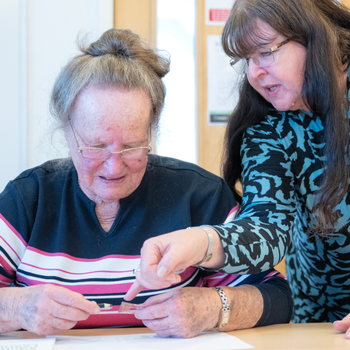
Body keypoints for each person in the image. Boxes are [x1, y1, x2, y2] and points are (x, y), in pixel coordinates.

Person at [0, 28, 292, 337]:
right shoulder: (28, 199)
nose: (114, 166)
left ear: (152, 132)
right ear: (66, 131)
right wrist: (17, 307)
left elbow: (277, 297)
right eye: (97, 146)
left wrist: (212, 307)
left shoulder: (198, 196)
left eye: (133, 146)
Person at [125, 0, 350, 338]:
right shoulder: (268, 127)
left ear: (310, 37)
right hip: (319, 324)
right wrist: (200, 240)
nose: (254, 72)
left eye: (265, 52)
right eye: (246, 60)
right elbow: (267, 229)